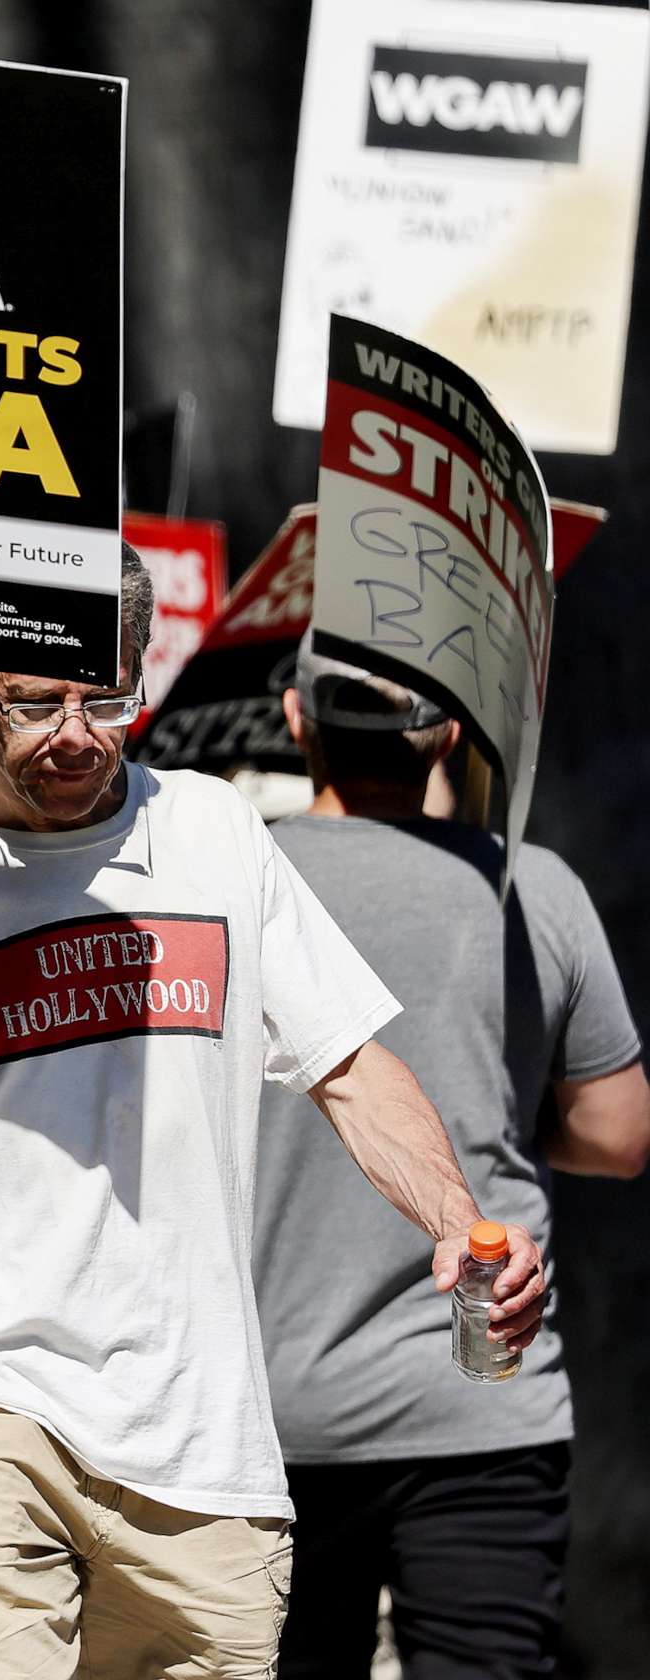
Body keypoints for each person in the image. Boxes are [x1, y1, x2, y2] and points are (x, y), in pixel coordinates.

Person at [0, 550, 551, 1678]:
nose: (76, 733)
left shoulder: (217, 830)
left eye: (106, 696)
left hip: (201, 1446)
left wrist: (460, 1223)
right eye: (35, 703)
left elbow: (353, 1069)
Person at [254, 640, 648, 1679]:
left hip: (271, 1417)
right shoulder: (533, 889)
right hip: (484, 1391)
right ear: (450, 731)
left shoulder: (234, 884)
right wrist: (503, 1112)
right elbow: (619, 1133)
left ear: (297, 720)